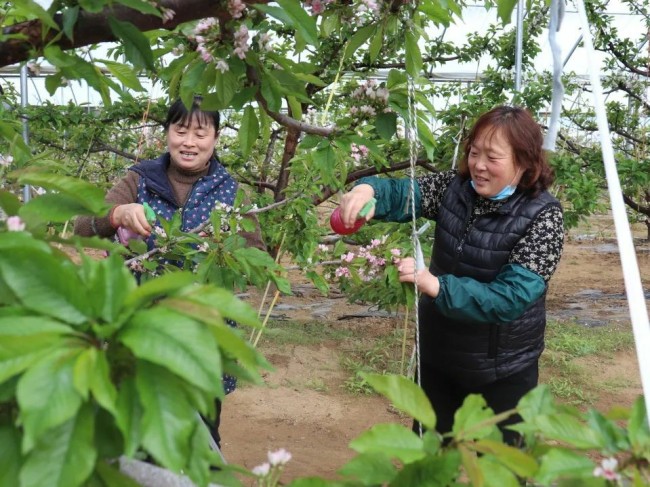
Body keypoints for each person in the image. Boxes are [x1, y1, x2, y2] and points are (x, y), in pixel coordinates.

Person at [337, 105, 564, 445]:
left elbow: (512, 297)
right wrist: (369, 190)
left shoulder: (543, 217)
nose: (479, 165)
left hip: (502, 368)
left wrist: (437, 286)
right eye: (474, 153)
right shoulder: (454, 189)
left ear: (525, 161)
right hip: (439, 355)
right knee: (428, 456)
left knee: (500, 470)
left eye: (493, 157)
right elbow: (405, 194)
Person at [75, 95, 265, 449]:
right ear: (167, 133)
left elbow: (256, 259)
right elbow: (82, 224)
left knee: (202, 431)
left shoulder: (231, 191)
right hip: (138, 325)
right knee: (136, 426)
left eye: (200, 133)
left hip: (204, 332)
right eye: (180, 130)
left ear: (216, 138)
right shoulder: (138, 179)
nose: (189, 142)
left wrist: (224, 250)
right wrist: (116, 215)